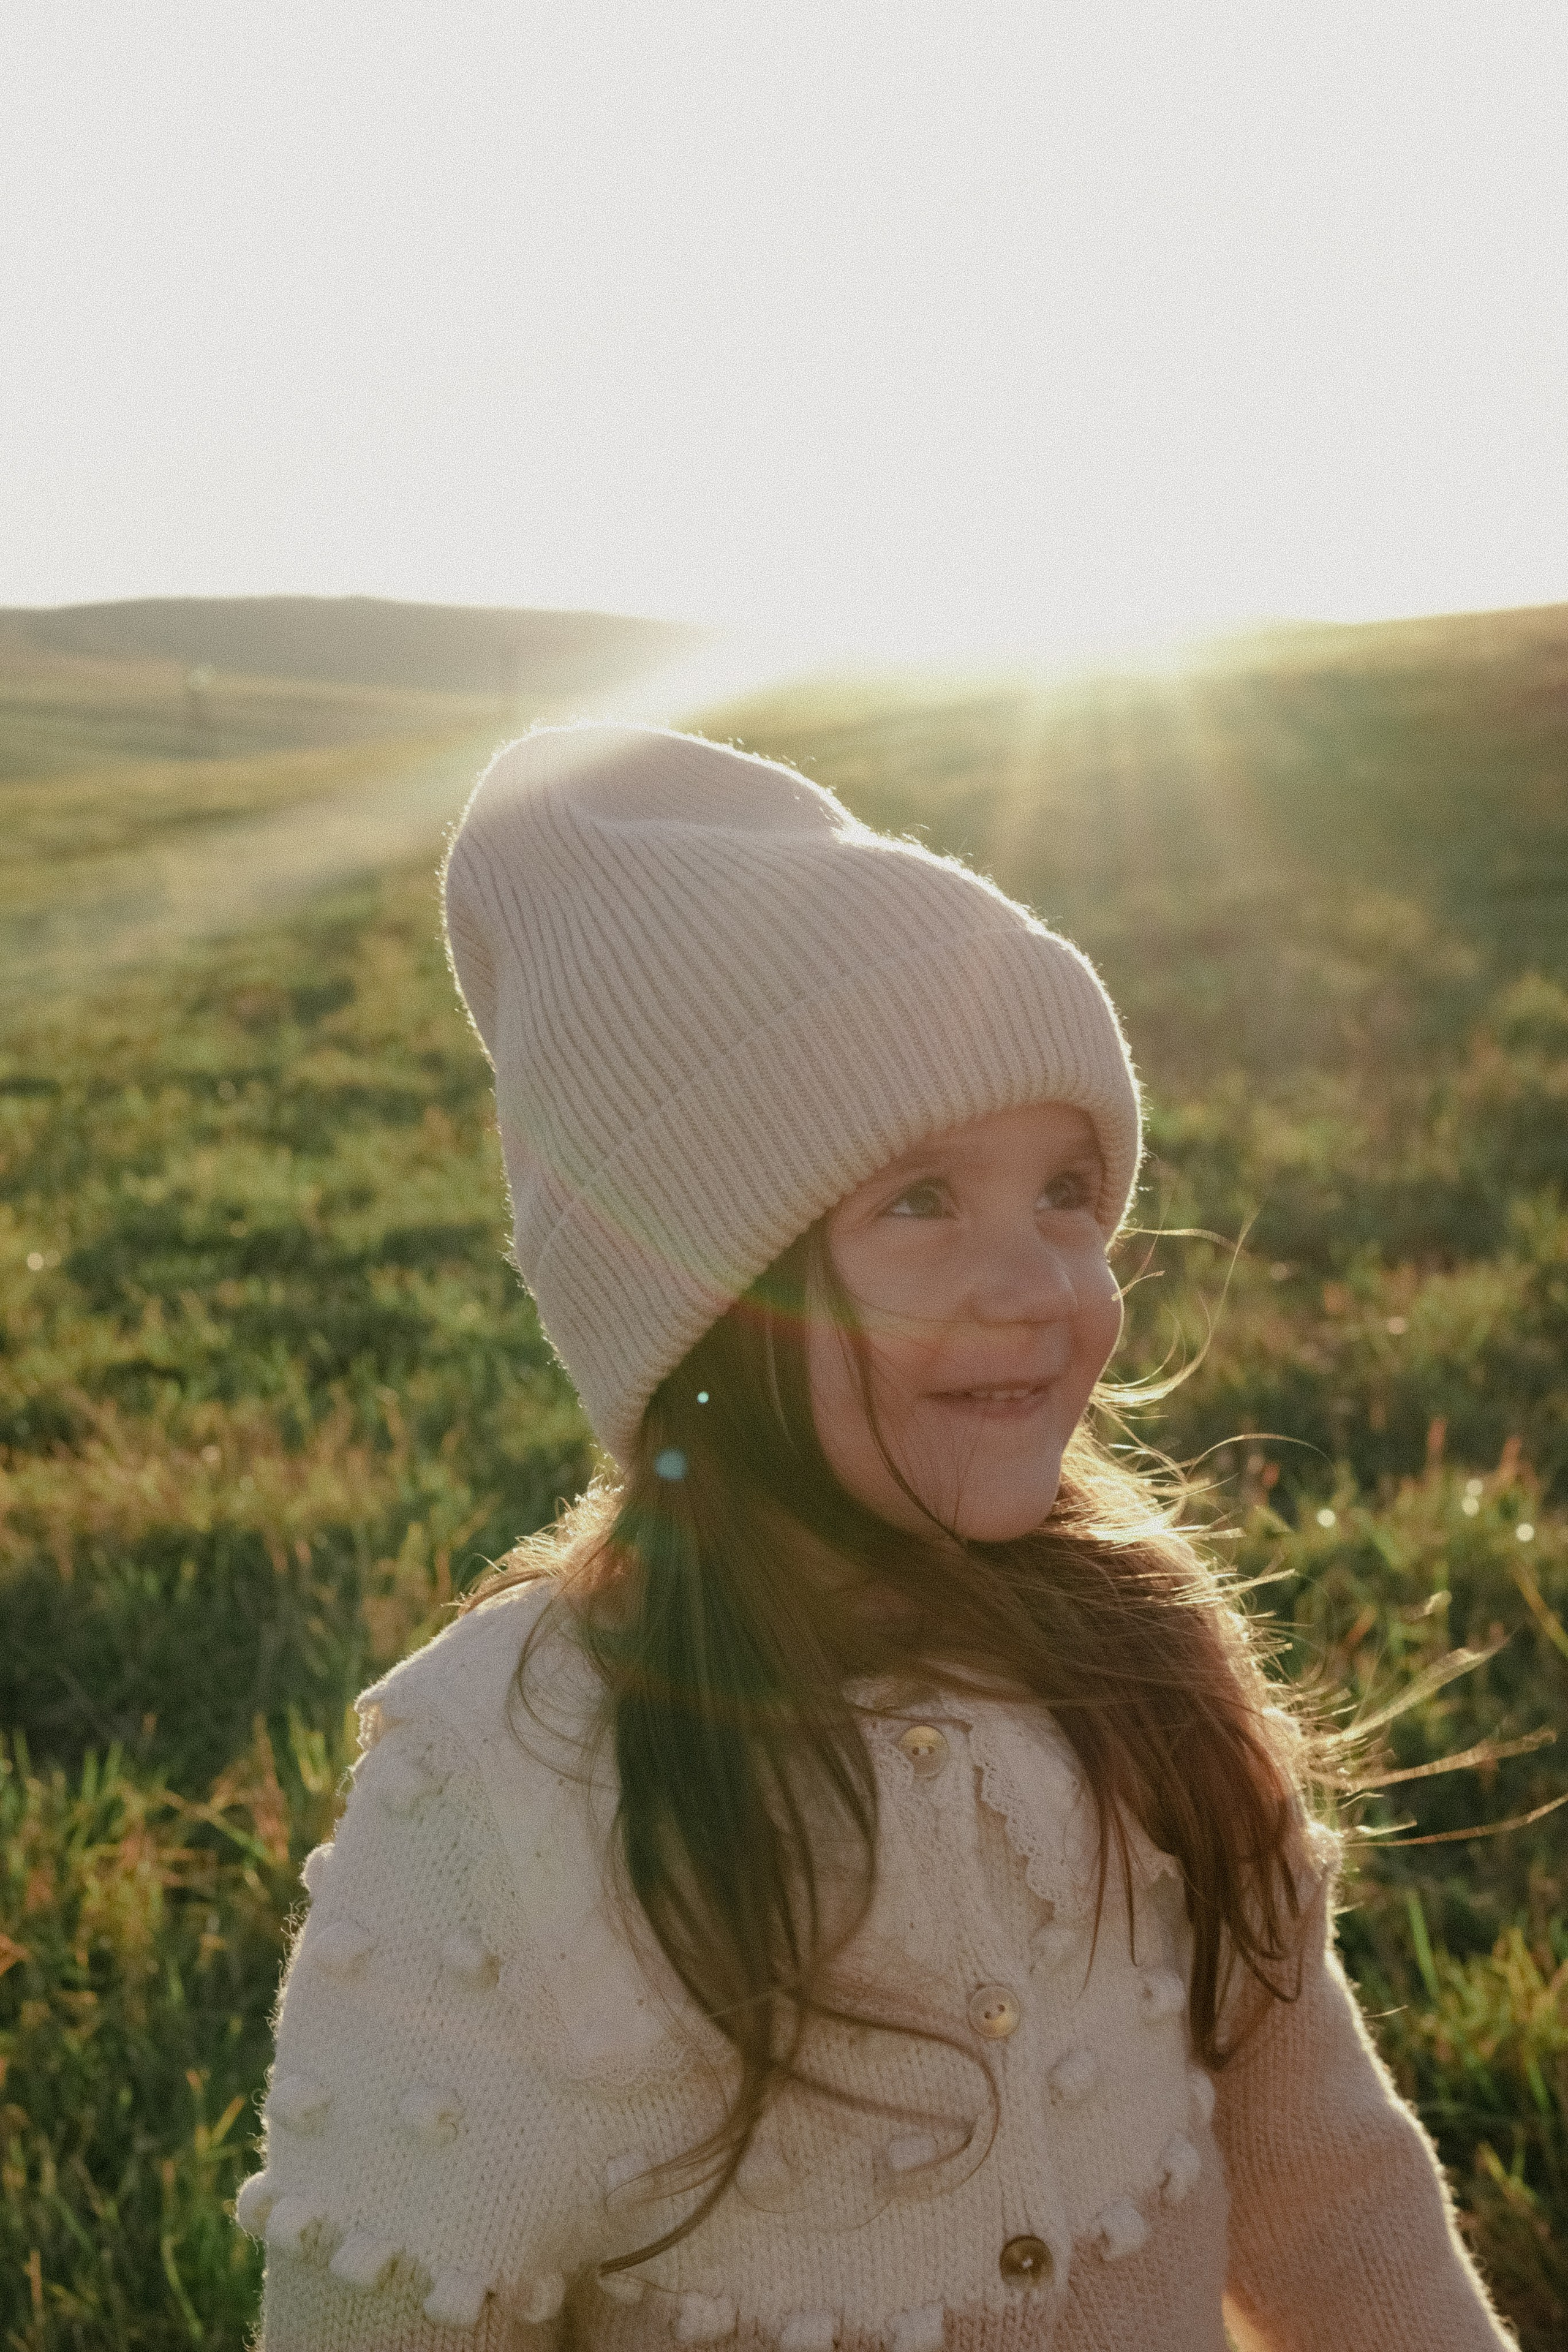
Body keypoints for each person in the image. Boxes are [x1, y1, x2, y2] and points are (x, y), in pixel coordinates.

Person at [239, 724, 1513, 2351]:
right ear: (703, 1306)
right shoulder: (505, 1778)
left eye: (1067, 1189)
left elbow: (1329, 2184)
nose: (1044, 1281)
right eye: (920, 1201)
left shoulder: (1135, 1643)